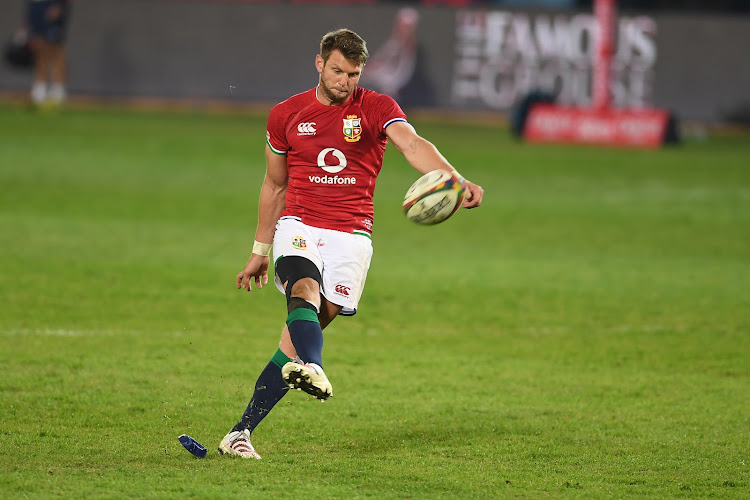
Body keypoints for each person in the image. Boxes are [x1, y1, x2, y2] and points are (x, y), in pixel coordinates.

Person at [218, 28, 484, 459]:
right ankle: (318, 368)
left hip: (352, 234)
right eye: (338, 71)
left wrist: (455, 178)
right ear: (320, 64)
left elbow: (412, 144)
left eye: (354, 74)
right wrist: (260, 252)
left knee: (296, 340)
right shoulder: (285, 114)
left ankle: (240, 432)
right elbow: (273, 185)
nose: (345, 81)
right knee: (302, 289)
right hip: (299, 224)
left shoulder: (378, 108)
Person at [26, 0, 71, 106]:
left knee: (56, 49)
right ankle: (39, 89)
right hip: (35, 6)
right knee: (39, 48)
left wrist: (59, 5)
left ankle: (58, 90)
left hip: (51, 5)